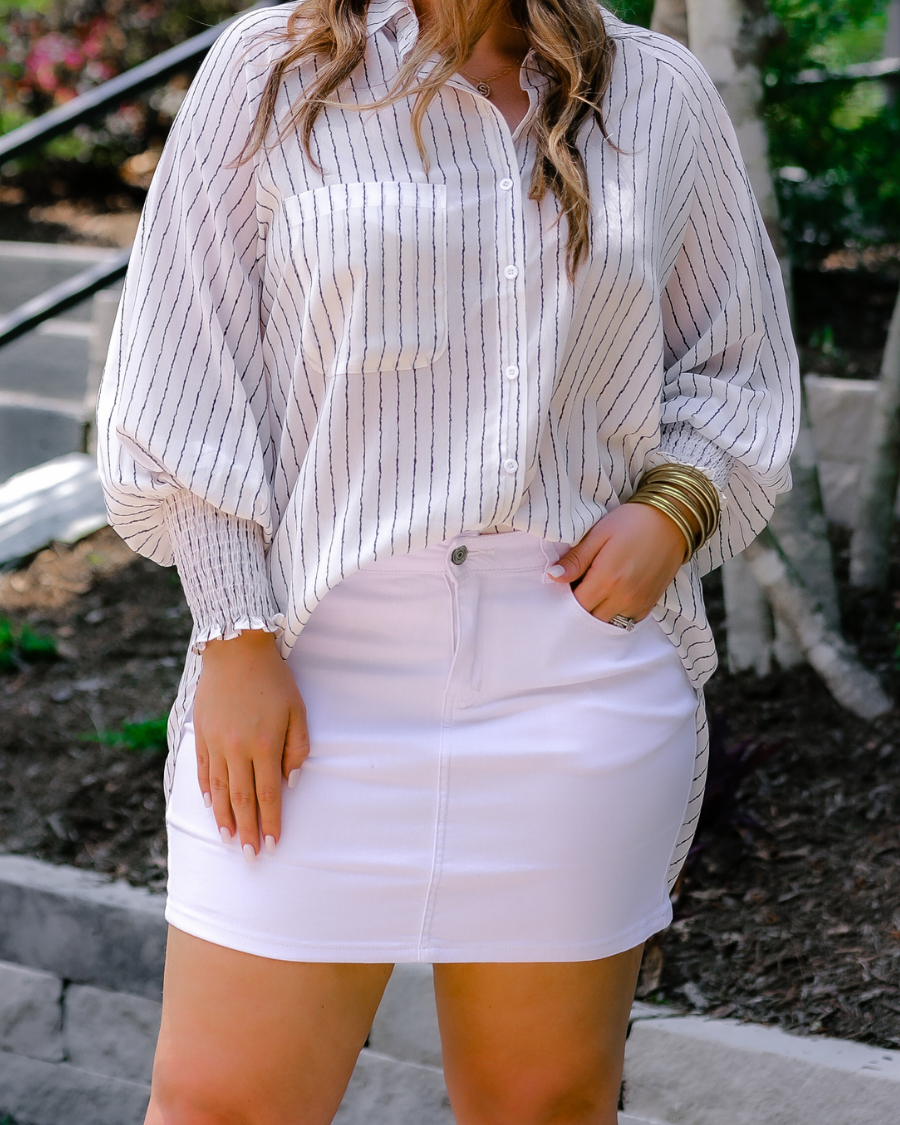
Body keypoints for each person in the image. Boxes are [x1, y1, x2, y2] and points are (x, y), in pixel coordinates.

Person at [97, 0, 799, 1121]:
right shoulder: (273, 72)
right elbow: (188, 374)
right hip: (306, 682)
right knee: (220, 1104)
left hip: (575, 686)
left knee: (545, 1108)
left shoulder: (655, 92)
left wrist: (674, 508)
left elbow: (737, 363)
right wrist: (233, 636)